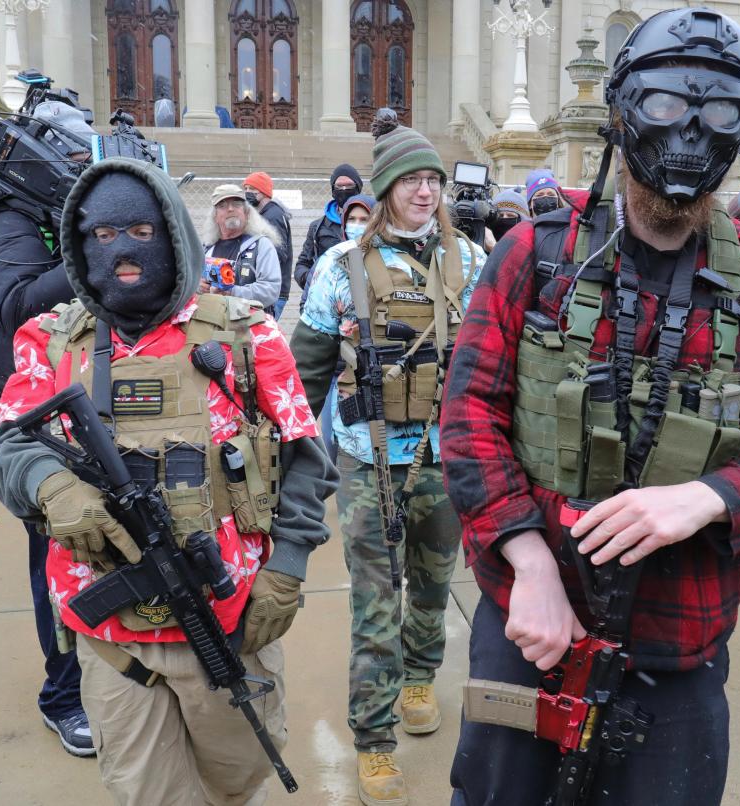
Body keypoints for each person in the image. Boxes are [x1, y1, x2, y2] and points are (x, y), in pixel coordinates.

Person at [440, 9, 740, 806]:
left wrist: (709, 496)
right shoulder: (537, 255)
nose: (690, 132)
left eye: (720, 112)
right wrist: (526, 561)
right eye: (665, 104)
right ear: (624, 114)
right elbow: (469, 415)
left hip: (678, 642)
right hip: (533, 624)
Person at [0, 157, 337, 805]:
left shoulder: (244, 333)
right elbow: (10, 444)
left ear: (174, 235)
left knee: (240, 782)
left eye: (142, 235)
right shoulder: (50, 341)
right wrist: (55, 489)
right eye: (102, 236)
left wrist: (285, 570)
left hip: (231, 622)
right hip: (113, 641)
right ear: (78, 246)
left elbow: (307, 458)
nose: (121, 253)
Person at [291, 111, 484, 806]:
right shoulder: (338, 268)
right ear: (387, 188)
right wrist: (291, 464)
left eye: (434, 179)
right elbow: (304, 373)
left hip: (446, 459)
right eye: (412, 180)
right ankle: (373, 742)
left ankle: (419, 677)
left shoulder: (474, 260)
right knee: (376, 604)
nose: (426, 191)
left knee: (434, 587)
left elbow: (495, 369)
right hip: (367, 462)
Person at [0, 99, 96, 757]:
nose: (81, 161)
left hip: (90, 394)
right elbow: (13, 302)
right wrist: (88, 255)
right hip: (39, 415)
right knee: (55, 546)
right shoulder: (11, 222)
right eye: (73, 151)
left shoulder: (58, 215)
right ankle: (64, 695)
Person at [304, 192, 376, 464]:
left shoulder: (383, 263)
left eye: (364, 219)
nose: (357, 225)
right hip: (335, 369)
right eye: (352, 219)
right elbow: (309, 310)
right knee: (330, 441)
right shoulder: (330, 263)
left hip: (364, 374)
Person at [201, 184, 282, 310]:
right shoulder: (206, 250)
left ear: (247, 213)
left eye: (236, 204)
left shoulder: (261, 245)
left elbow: (271, 289)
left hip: (250, 324)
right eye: (222, 206)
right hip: (212, 321)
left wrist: (232, 292)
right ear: (215, 217)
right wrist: (198, 287)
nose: (230, 209)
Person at [295, 163, 364, 310]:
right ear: (333, 190)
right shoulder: (317, 227)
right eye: (339, 186)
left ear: (358, 188)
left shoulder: (373, 222)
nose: (344, 190)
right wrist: (314, 279)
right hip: (326, 302)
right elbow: (302, 264)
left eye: (349, 185)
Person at [243, 171, 292, 319]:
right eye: (245, 189)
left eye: (252, 189)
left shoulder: (273, 216)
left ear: (263, 192)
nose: (247, 193)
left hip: (273, 293)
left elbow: (278, 254)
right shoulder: (264, 214)